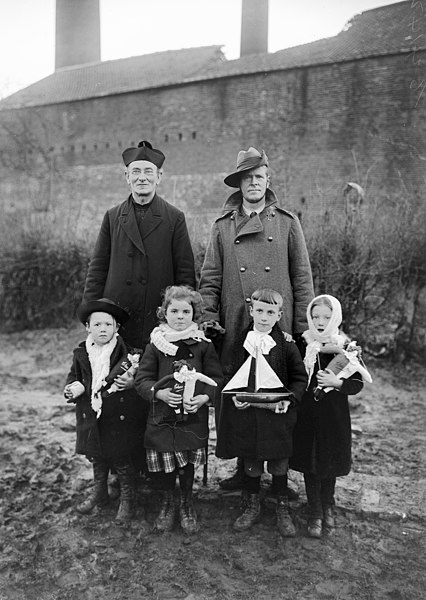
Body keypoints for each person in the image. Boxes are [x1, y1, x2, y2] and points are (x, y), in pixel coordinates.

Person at [198, 146, 314, 492]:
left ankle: (280, 476)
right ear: (238, 184)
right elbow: (210, 279)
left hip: (279, 326)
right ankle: (241, 469)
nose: (253, 183)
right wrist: (207, 319)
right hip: (237, 324)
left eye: (259, 177)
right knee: (240, 397)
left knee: (278, 395)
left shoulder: (288, 223)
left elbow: (302, 277)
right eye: (246, 178)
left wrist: (303, 329)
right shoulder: (222, 227)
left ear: (268, 181)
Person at [83, 139, 195, 351]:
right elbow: (97, 269)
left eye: (148, 172)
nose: (141, 177)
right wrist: (91, 311)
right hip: (117, 314)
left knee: (152, 378)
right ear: (127, 177)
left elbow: (185, 274)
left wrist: (184, 316)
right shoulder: (113, 216)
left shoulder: (174, 217)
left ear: (159, 176)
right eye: (135, 172)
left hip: (158, 314)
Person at [216, 288, 307, 536]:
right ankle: (252, 504)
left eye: (270, 312)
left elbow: (300, 378)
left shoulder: (286, 345)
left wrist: (290, 399)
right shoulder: (242, 342)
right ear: (251, 311)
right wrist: (235, 397)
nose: (264, 317)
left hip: (277, 415)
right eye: (259, 311)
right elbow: (231, 373)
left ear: (279, 315)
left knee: (279, 462)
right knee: (252, 461)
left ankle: (281, 506)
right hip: (248, 415)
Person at [134, 286, 223, 534]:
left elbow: (215, 378)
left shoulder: (202, 345)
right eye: (174, 311)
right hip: (162, 417)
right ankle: (168, 502)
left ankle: (186, 501)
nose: (180, 316)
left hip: (191, 417)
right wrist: (159, 393)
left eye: (186, 311)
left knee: (186, 463)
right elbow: (142, 380)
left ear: (194, 314)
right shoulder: (156, 344)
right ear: (164, 313)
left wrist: (204, 397)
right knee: (165, 463)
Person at [290, 294, 371, 538]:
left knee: (329, 462)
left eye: (326, 317)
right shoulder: (303, 343)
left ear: (335, 317)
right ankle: (314, 510)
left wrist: (337, 382)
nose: (321, 321)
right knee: (310, 462)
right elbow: (293, 372)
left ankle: (328, 505)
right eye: (316, 317)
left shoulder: (346, 347)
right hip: (307, 415)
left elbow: (357, 382)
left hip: (333, 416)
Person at [64, 298, 147, 523]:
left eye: (108, 325)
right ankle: (99, 492)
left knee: (121, 458)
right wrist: (73, 388)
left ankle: (128, 499)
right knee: (97, 456)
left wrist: (130, 382)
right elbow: (75, 377)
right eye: (97, 324)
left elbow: (137, 379)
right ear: (88, 327)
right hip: (91, 412)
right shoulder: (82, 353)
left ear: (116, 328)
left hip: (117, 414)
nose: (103, 329)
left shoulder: (127, 354)